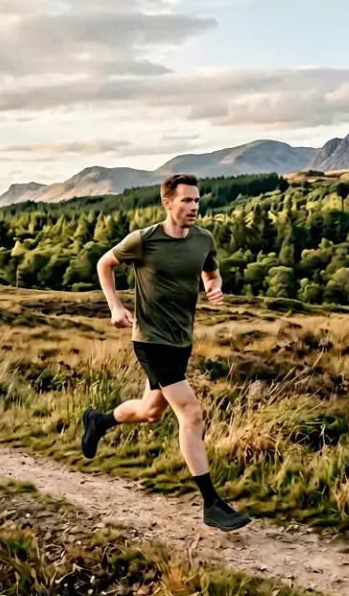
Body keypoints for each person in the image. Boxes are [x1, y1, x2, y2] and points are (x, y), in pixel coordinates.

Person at [79, 173, 251, 532]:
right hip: (150, 340)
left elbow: (211, 274)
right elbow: (104, 264)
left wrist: (214, 289)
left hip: (180, 340)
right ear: (167, 203)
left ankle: (99, 421)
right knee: (191, 413)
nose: (193, 207)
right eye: (186, 200)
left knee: (150, 412)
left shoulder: (203, 239)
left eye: (197, 201)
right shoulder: (144, 240)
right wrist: (115, 306)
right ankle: (211, 504)